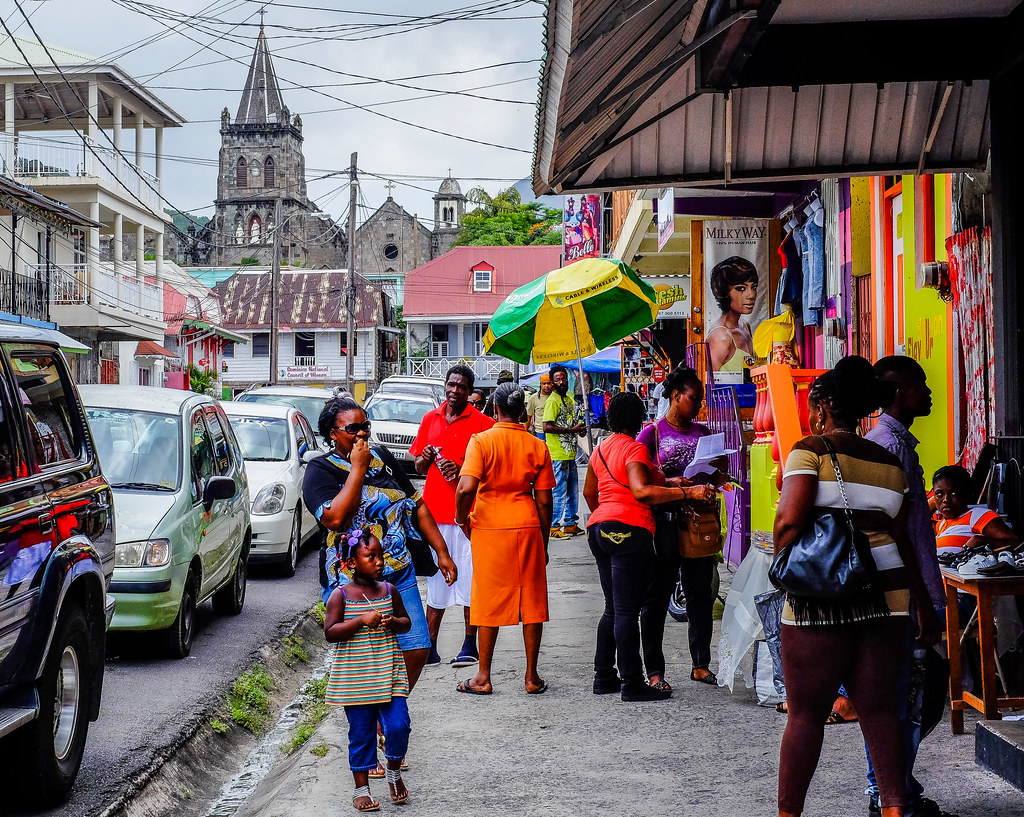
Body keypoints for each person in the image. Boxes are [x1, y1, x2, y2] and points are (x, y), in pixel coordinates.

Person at [772, 355, 940, 817]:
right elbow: (903, 540)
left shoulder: (809, 451)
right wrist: (922, 605)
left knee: (806, 716)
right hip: (888, 595)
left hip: (821, 597)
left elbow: (788, 524)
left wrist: (783, 554)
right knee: (881, 712)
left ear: (823, 406)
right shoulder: (890, 463)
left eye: (813, 407)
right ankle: (893, 810)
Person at [303, 395, 457, 775]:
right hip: (351, 585)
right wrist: (356, 468)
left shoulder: (384, 457)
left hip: (398, 574)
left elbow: (416, 505)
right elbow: (335, 518)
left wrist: (442, 551)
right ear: (331, 433)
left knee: (419, 647)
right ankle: (371, 729)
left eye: (365, 425)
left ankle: (386, 710)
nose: (361, 434)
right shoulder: (320, 470)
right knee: (363, 661)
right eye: (352, 428)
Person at [583, 391, 716, 702]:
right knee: (628, 611)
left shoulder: (600, 449)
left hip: (600, 529)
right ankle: (632, 683)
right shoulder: (634, 448)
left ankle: (604, 676)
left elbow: (592, 494)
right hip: (631, 531)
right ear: (636, 418)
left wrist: (669, 484)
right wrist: (689, 494)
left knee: (613, 608)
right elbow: (641, 491)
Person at [863, 356, 950, 817]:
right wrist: (919, 600)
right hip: (903, 596)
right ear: (898, 392)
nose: (929, 393)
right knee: (909, 699)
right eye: (920, 385)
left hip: (910, 592)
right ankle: (889, 794)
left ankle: (894, 788)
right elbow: (894, 532)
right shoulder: (887, 446)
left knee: (913, 698)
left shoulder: (896, 444)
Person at [453, 383, 556, 694]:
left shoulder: (481, 441)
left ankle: (483, 676)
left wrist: (461, 519)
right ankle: (531, 677)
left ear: (495, 409)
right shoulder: (537, 446)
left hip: (488, 526)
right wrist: (544, 541)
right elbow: (545, 502)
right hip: (526, 525)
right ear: (523, 410)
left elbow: (466, 488)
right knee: (532, 600)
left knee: (487, 598)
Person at [637, 365, 725, 688]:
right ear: (675, 396)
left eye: (700, 400)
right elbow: (640, 480)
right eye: (693, 398)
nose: (698, 405)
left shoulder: (704, 434)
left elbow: (717, 476)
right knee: (656, 598)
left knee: (700, 595)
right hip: (663, 525)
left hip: (698, 523)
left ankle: (700, 664)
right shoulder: (652, 434)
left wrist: (720, 473)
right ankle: (655, 671)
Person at [409, 364, 494, 668]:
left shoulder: (484, 424)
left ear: (470, 392)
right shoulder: (429, 419)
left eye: (461, 386)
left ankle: (469, 644)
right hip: (433, 515)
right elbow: (418, 466)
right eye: (451, 384)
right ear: (444, 386)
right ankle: (429, 646)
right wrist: (426, 458)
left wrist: (463, 471)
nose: (455, 390)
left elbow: (491, 473)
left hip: (468, 515)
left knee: (470, 579)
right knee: (436, 579)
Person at [324, 528, 411, 812]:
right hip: (357, 680)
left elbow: (406, 623)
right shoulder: (341, 596)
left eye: (380, 555)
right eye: (370, 556)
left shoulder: (389, 590)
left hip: (390, 674)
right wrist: (361, 620)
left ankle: (393, 771)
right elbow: (331, 632)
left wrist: (393, 622)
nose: (379, 562)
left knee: (399, 725)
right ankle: (361, 789)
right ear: (351, 564)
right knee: (361, 735)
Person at [932, 465, 1020, 554]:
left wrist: (983, 541)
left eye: (954, 493)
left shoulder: (977, 515)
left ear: (966, 493)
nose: (946, 499)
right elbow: (918, 518)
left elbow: (1017, 544)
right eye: (939, 494)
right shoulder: (941, 525)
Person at [544, 364, 586, 538]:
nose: (561, 382)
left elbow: (574, 424)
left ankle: (570, 523)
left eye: (563, 378)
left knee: (572, 490)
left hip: (570, 453)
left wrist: (580, 429)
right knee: (559, 491)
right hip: (558, 454)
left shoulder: (569, 400)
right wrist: (572, 431)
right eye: (557, 379)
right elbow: (546, 427)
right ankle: (554, 526)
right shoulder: (552, 401)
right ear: (552, 383)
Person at [707, 256, 759, 373]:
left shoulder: (745, 326)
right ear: (724, 292)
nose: (751, 295)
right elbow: (709, 383)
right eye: (741, 288)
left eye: (754, 287)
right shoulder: (721, 336)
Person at [527, 374, 553, 439]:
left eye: (548, 383)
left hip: (553, 430)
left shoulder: (555, 397)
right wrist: (525, 431)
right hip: (540, 431)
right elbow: (529, 416)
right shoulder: (533, 398)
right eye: (544, 384)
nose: (546, 386)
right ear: (540, 384)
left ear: (552, 384)